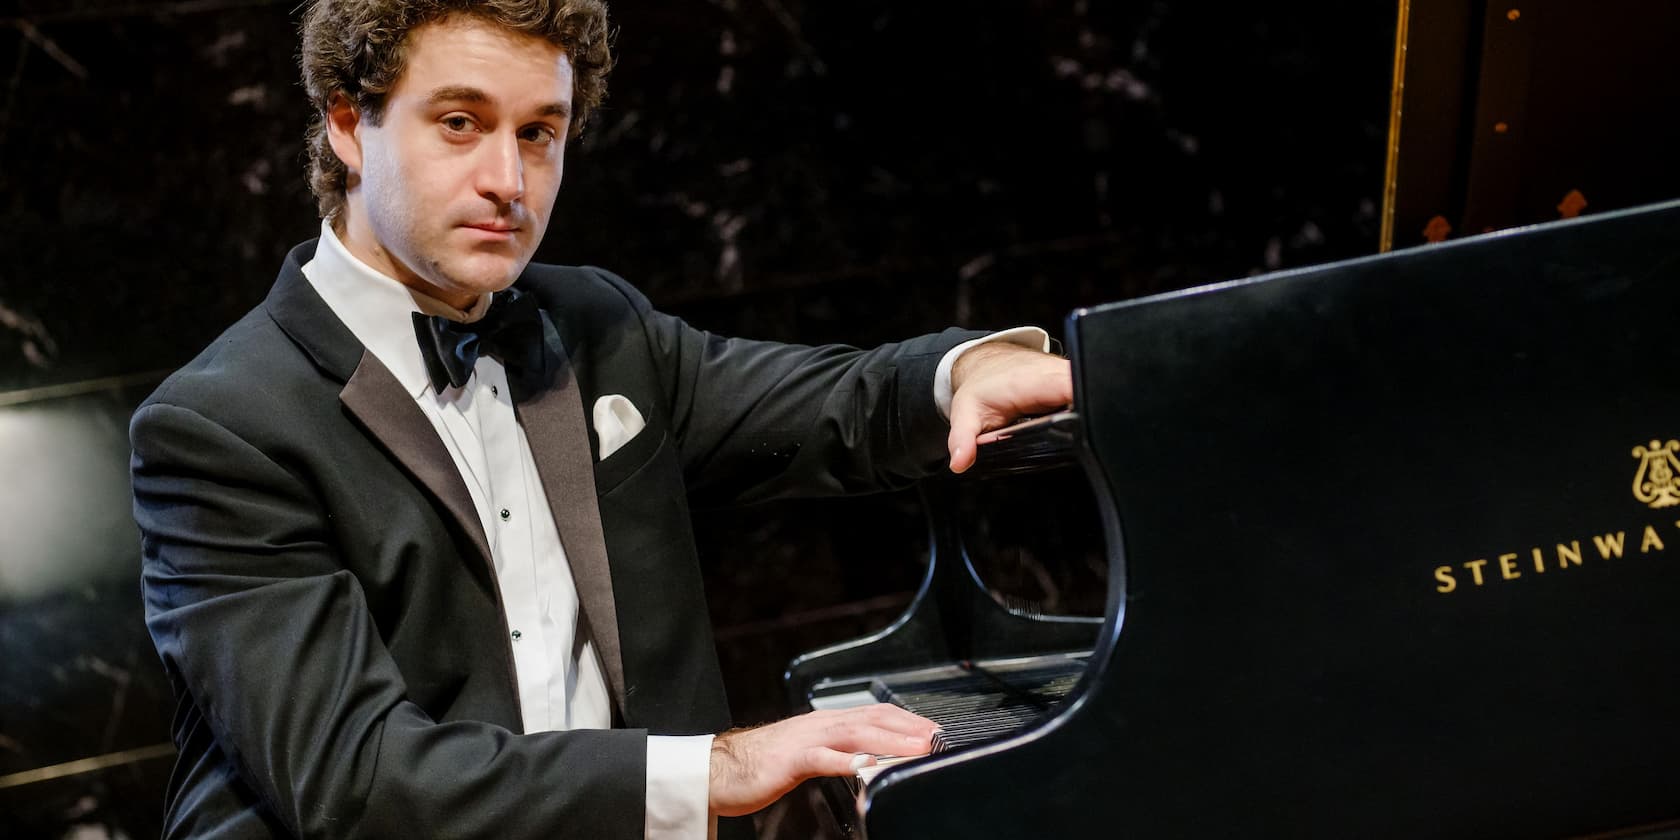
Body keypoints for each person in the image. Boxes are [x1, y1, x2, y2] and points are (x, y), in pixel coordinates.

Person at [129, 1, 1073, 837]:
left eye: (541, 131)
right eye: (460, 123)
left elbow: (830, 401)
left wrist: (964, 372)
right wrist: (721, 768)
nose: (509, 178)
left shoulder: (595, 325)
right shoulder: (220, 427)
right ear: (349, 124)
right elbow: (356, 782)